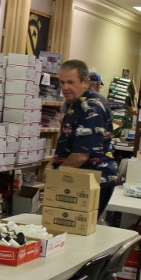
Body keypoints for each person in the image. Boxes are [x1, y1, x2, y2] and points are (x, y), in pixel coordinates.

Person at [54, 59, 119, 217]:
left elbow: (81, 155)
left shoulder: (92, 106)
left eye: (71, 82)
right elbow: (67, 142)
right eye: (62, 82)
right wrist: (52, 164)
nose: (65, 87)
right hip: (78, 177)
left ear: (85, 82)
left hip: (92, 178)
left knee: (79, 232)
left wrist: (56, 177)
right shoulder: (73, 103)